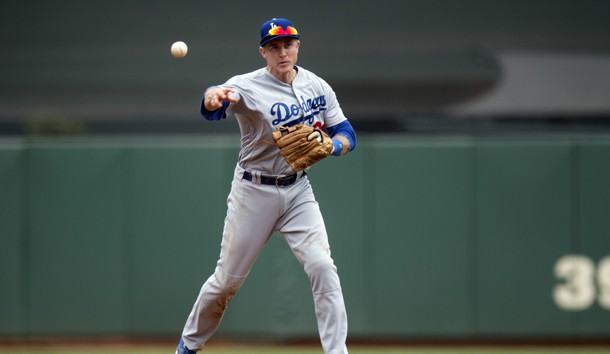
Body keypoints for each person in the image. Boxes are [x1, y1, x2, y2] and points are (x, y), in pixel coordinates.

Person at [175, 17, 356, 354]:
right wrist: (212, 97)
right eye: (274, 47)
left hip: (298, 189)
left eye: (288, 44)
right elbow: (215, 103)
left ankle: (337, 352)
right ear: (263, 52)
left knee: (322, 266)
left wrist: (334, 145)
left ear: (298, 46)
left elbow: (347, 132)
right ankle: (188, 346)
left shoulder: (318, 86)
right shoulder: (248, 85)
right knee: (226, 282)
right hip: (253, 190)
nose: (282, 52)